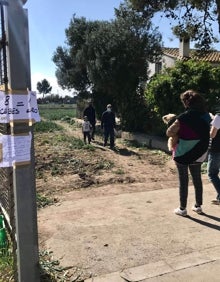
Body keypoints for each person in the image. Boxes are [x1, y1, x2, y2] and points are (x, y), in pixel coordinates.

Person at [166, 90, 211, 216]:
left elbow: (169, 133)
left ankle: (182, 208)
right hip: (201, 151)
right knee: (197, 179)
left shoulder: (183, 117)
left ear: (187, 102)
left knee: (183, 180)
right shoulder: (206, 116)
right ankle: (198, 206)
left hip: (183, 152)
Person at [207, 114, 220, 205]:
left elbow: (212, 134)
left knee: (212, 173)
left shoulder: (218, 117)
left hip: (216, 150)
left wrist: (211, 125)